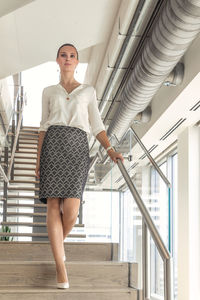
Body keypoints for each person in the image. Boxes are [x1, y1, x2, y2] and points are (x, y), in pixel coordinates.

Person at [35, 43, 124, 289]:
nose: (67, 58)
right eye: (63, 55)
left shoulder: (88, 91)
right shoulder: (48, 91)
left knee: (72, 211)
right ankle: (60, 267)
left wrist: (109, 149)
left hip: (76, 149)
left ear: (77, 62)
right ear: (57, 60)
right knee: (53, 204)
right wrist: (38, 158)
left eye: (72, 55)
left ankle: (56, 247)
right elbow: (43, 126)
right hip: (52, 145)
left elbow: (96, 125)